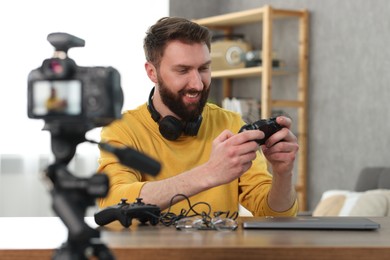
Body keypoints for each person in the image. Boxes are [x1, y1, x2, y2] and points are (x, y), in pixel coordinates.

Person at [97, 17, 299, 217]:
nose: (198, 84)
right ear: (152, 72)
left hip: (218, 251)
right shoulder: (122, 129)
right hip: (153, 251)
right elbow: (112, 205)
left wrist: (283, 174)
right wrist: (209, 173)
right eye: (183, 70)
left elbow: (272, 214)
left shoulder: (231, 123)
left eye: (203, 68)